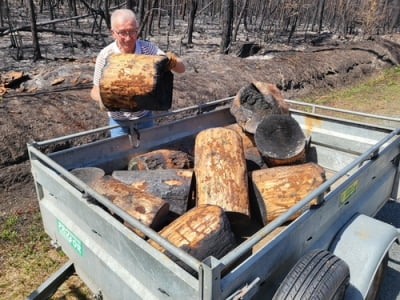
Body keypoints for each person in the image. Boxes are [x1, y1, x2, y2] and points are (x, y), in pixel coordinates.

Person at [90, 8, 185, 137]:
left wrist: (172, 61)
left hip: (145, 118)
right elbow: (94, 90)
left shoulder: (147, 49)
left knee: (148, 154)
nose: (129, 38)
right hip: (118, 122)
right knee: (122, 155)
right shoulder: (106, 55)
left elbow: (181, 69)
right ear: (112, 32)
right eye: (122, 33)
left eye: (133, 32)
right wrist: (107, 98)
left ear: (137, 29)